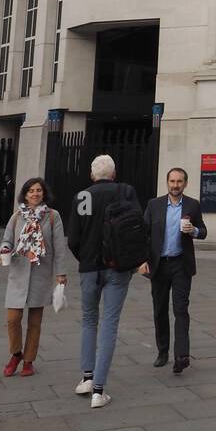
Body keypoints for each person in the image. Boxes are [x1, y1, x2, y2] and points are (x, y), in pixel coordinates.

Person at [67, 154, 143, 408]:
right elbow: (137, 228)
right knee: (110, 324)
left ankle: (87, 377)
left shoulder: (83, 196)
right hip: (118, 267)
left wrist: (86, 258)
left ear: (92, 175)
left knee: (89, 320)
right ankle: (99, 391)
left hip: (89, 267)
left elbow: (73, 239)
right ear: (114, 173)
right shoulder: (126, 192)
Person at [0, 177, 70, 378]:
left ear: (44, 193)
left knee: (35, 322)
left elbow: (59, 248)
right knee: (13, 319)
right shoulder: (16, 217)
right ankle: (16, 354)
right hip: (18, 272)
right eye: (31, 190)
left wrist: (61, 273)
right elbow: (7, 239)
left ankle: (28, 360)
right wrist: (4, 249)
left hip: (41, 273)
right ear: (25, 194)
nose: (35, 194)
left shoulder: (53, 216)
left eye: (39, 190)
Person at [138, 167, 206, 374]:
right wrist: (141, 261)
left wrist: (193, 231)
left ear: (185, 183)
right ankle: (163, 351)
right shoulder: (154, 204)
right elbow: (143, 234)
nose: (175, 185)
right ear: (167, 182)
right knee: (159, 310)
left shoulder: (192, 205)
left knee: (180, 309)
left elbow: (203, 231)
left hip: (181, 264)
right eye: (172, 181)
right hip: (159, 265)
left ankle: (181, 355)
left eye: (179, 181)